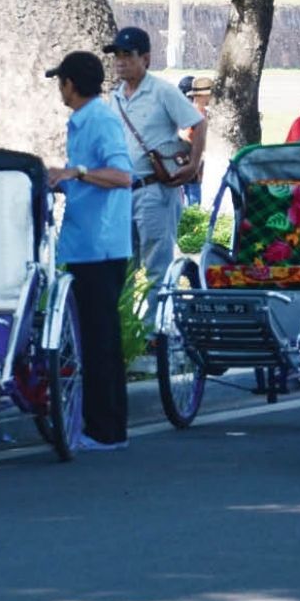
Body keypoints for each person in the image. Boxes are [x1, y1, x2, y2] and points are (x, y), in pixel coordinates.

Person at [45, 51, 134, 452]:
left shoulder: (99, 120)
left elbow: (121, 175)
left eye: (60, 82)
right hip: (84, 242)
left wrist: (76, 173)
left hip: (99, 245)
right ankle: (102, 425)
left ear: (71, 84)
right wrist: (61, 180)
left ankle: (106, 430)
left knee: (100, 341)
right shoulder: (80, 122)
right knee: (94, 338)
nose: (59, 89)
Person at [106, 26, 205, 319]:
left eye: (128, 55)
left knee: (156, 267)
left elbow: (198, 123)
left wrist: (193, 164)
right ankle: (126, 333)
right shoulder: (116, 97)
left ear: (145, 59)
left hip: (155, 190)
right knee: (123, 266)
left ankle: (154, 334)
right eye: (117, 56)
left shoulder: (162, 91)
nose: (120, 61)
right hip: (123, 191)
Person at [181, 76, 213, 208]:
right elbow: (185, 136)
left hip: (196, 161)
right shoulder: (194, 113)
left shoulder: (202, 112)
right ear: (202, 96)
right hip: (190, 160)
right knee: (193, 198)